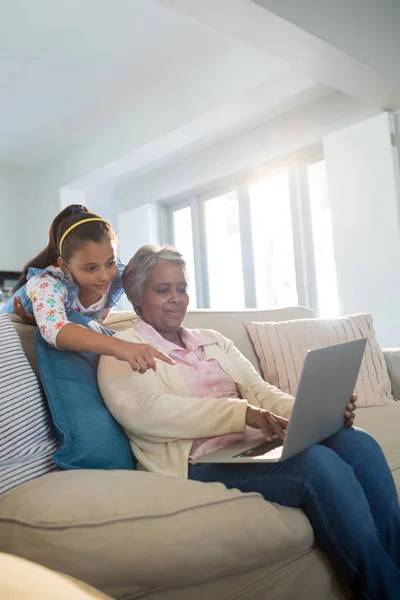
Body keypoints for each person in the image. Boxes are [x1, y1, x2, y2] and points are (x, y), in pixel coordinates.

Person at [98, 244, 400, 600]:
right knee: (317, 465)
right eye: (163, 290)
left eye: (181, 288)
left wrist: (315, 411)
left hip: (254, 444)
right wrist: (241, 413)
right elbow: (148, 411)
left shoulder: (213, 341)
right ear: (136, 296)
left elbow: (261, 392)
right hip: (199, 460)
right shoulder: (123, 348)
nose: (176, 299)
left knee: (358, 441)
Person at [2, 206, 173, 372]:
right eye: (91, 268)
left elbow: (153, 290)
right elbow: (55, 329)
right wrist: (120, 346)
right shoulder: (47, 283)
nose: (105, 276)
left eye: (110, 262)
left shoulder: (117, 278)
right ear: (65, 265)